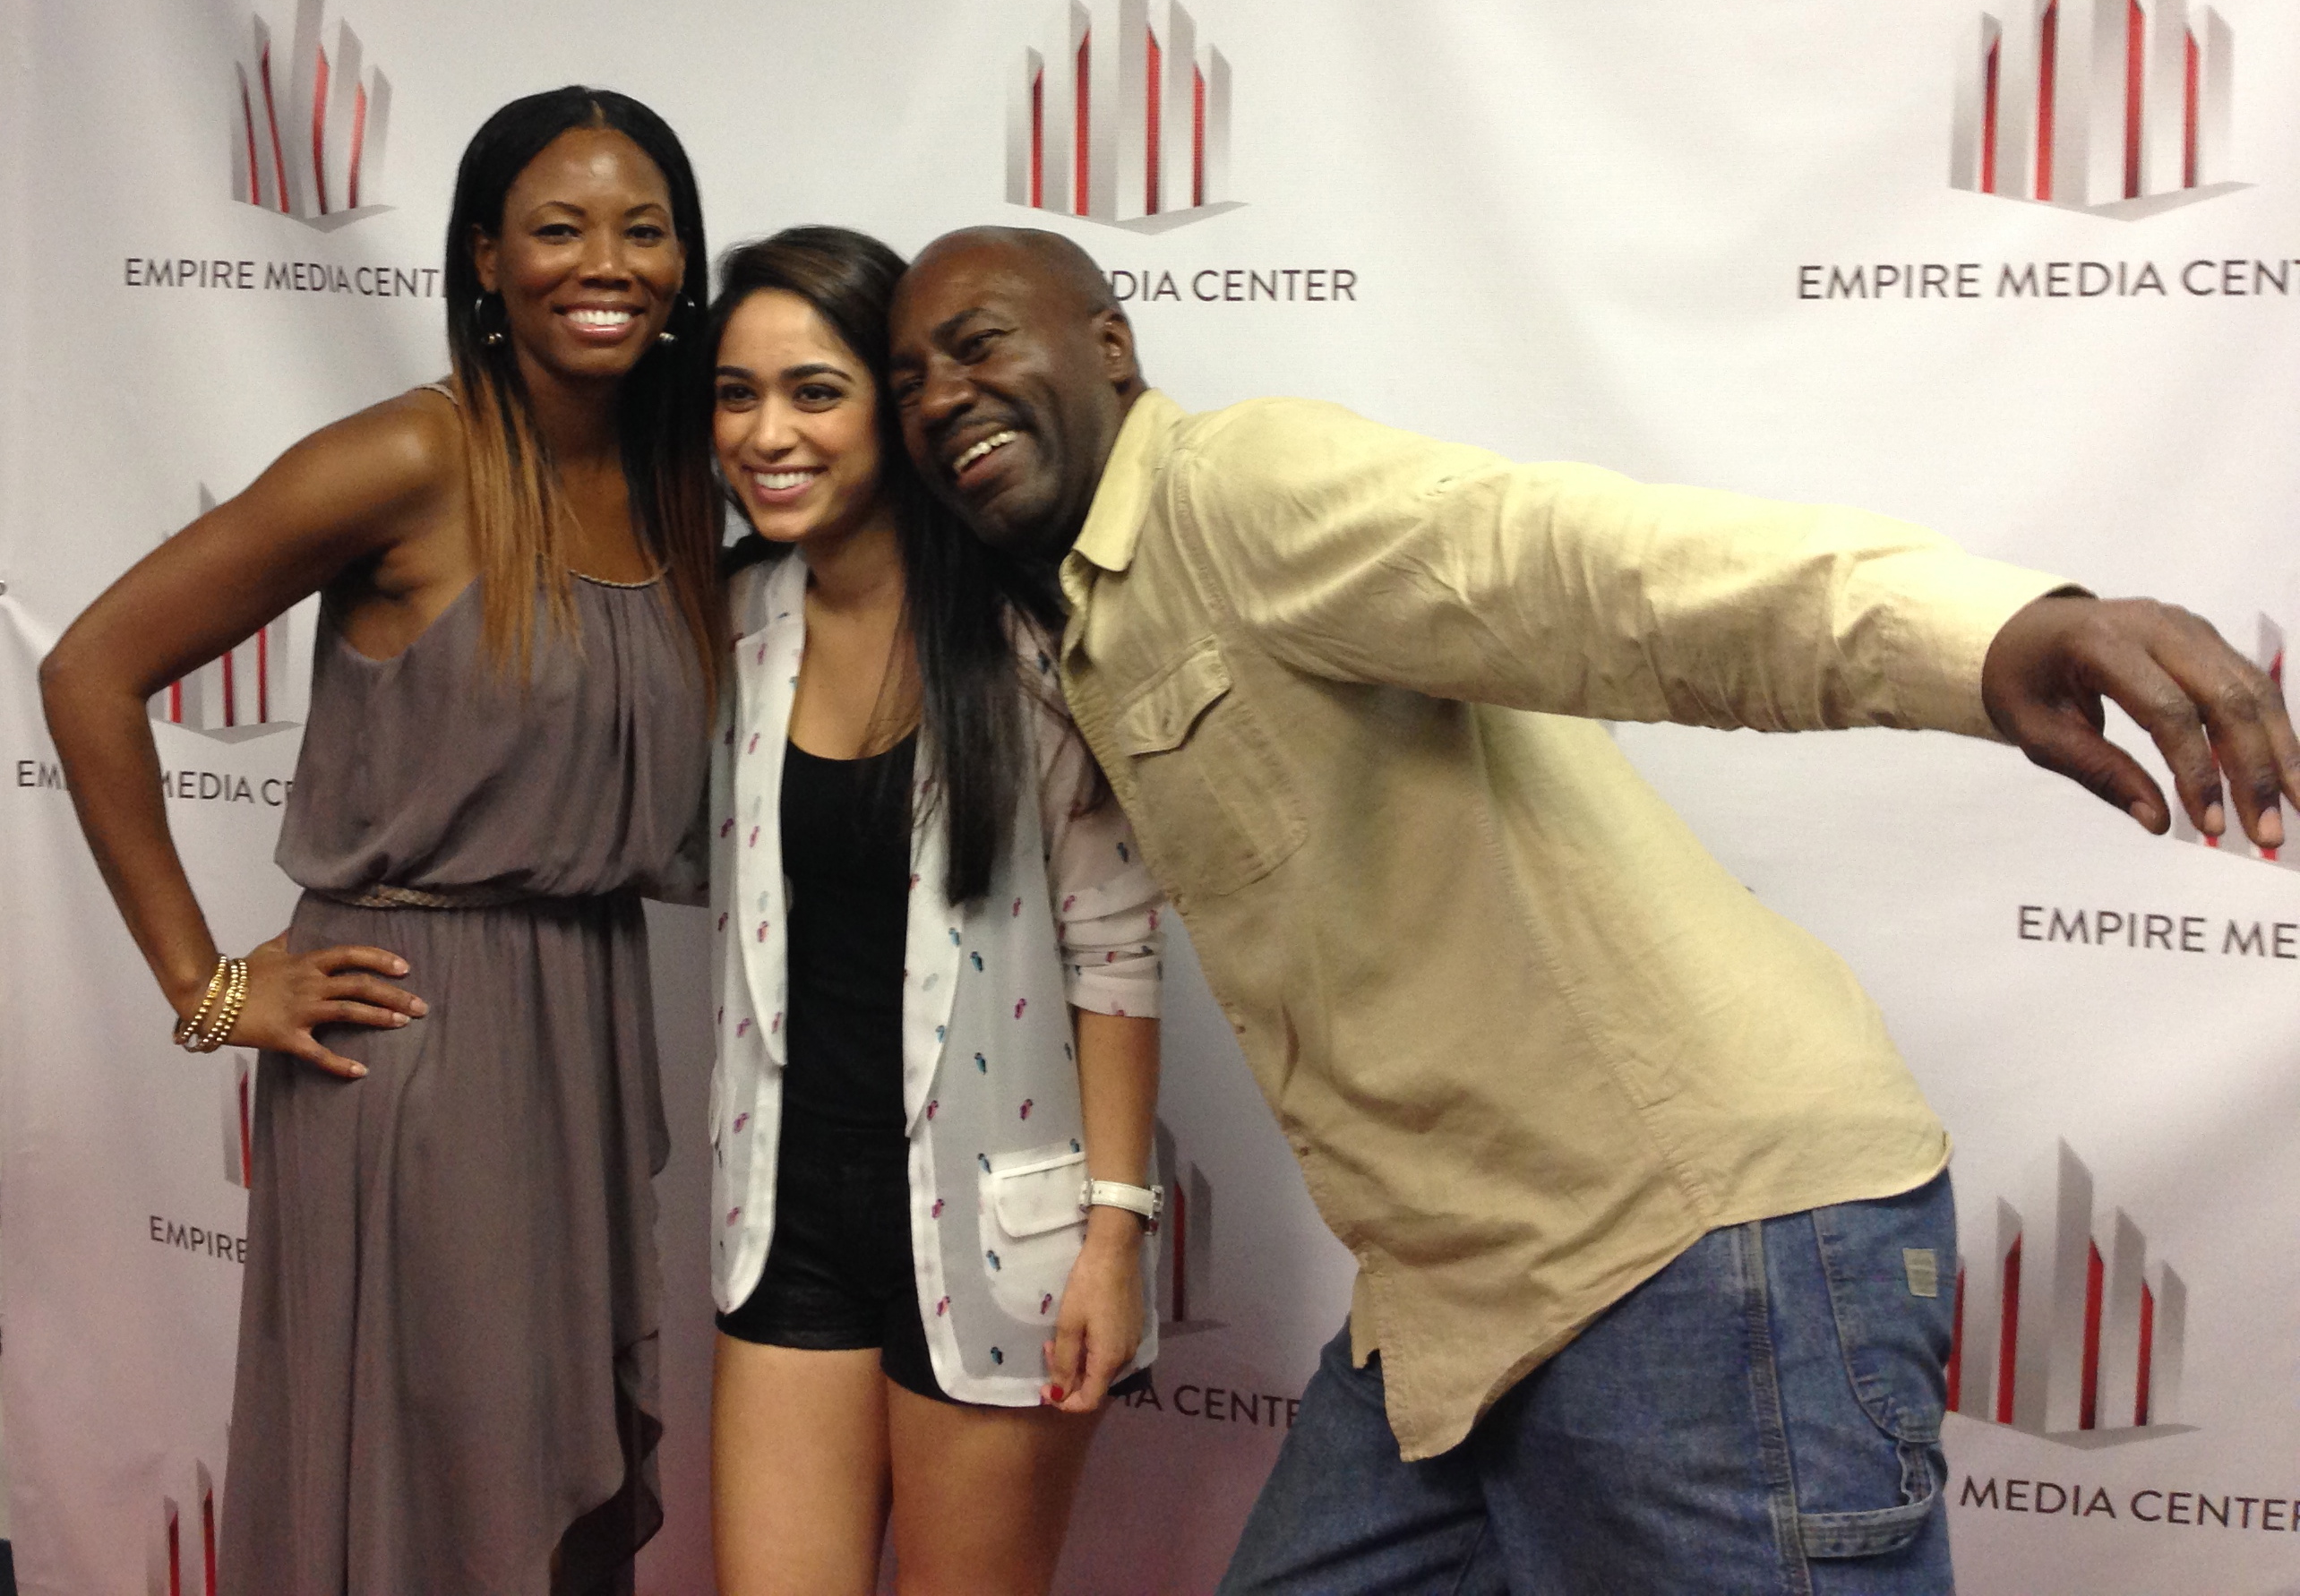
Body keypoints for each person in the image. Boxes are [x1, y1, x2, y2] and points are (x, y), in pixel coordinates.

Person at [883, 224, 2300, 1596]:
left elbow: (1582, 567)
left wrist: (1986, 631)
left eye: (979, 344)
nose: (943, 395)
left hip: (1693, 1257)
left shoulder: (1232, 490)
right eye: (909, 379)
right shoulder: (1080, 622)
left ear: (1111, 349)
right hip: (1459, 1305)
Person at [39, 87, 724, 1596]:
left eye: (645, 227)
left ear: (686, 264)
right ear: (485, 259)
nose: (605, 262)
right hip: (420, 1038)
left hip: (588, 1038)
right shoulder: (408, 456)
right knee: (452, 1486)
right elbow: (86, 669)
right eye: (558, 227)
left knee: (542, 1488)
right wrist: (209, 985)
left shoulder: (676, 478)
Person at [704, 227, 1163, 1596]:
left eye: (816, 391)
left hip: (997, 1223)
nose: (770, 433)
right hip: (781, 1223)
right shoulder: (729, 623)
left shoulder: (1027, 635)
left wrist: (1116, 1235)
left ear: (893, 418)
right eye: (737, 394)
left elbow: (1117, 948)